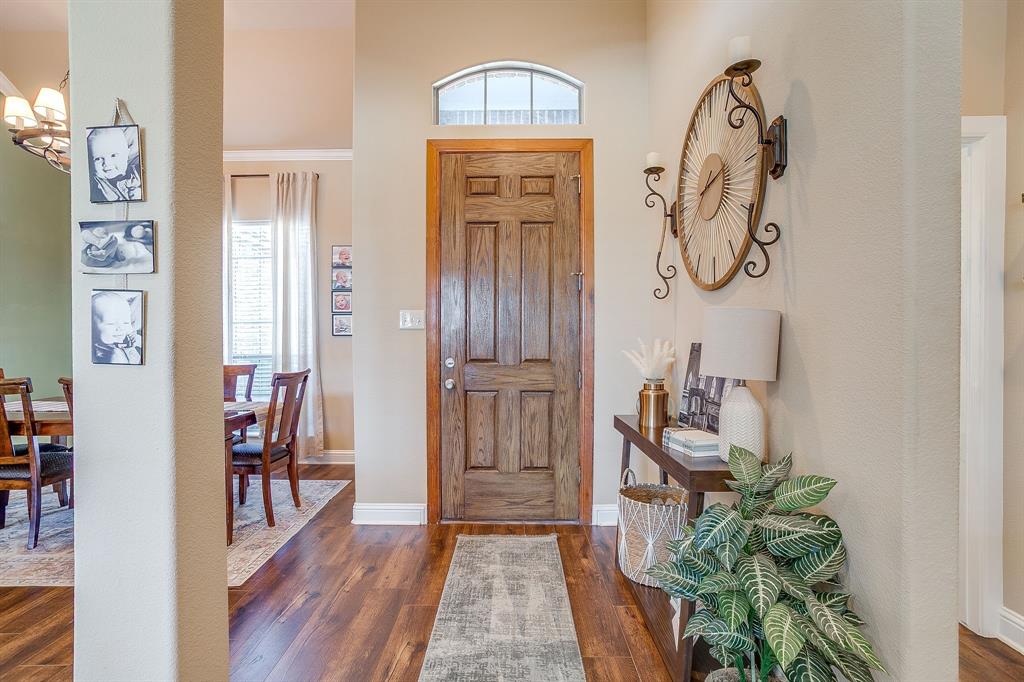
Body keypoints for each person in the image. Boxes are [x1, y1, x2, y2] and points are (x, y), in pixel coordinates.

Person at [89, 126, 143, 202]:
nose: (107, 164)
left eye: (113, 155)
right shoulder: (95, 185)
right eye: (98, 159)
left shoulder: (137, 172)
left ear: (127, 154)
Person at [92, 291, 143, 364]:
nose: (121, 328)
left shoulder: (128, 338)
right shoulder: (94, 353)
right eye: (111, 323)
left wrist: (135, 340)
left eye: (126, 322)